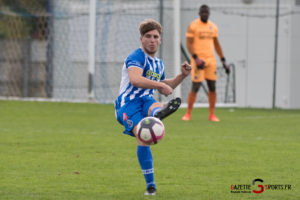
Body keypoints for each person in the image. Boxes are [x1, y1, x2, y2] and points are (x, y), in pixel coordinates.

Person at [114, 19, 191, 195]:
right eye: (148, 36)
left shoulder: (158, 64)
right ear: (141, 39)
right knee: (143, 136)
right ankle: (151, 184)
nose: (152, 40)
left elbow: (166, 84)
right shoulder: (136, 57)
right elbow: (136, 80)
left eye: (155, 36)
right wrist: (159, 86)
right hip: (128, 105)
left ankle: (159, 113)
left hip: (147, 101)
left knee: (152, 105)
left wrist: (182, 75)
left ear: (160, 40)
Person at [182, 4, 230, 122]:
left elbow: (217, 44)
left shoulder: (213, 27)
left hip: (211, 60)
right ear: (199, 13)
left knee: (212, 86)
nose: (204, 14)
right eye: (202, 12)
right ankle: (188, 114)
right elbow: (189, 43)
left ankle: (212, 115)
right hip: (198, 59)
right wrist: (196, 58)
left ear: (209, 13)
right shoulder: (193, 26)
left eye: (206, 12)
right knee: (196, 86)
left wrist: (223, 60)